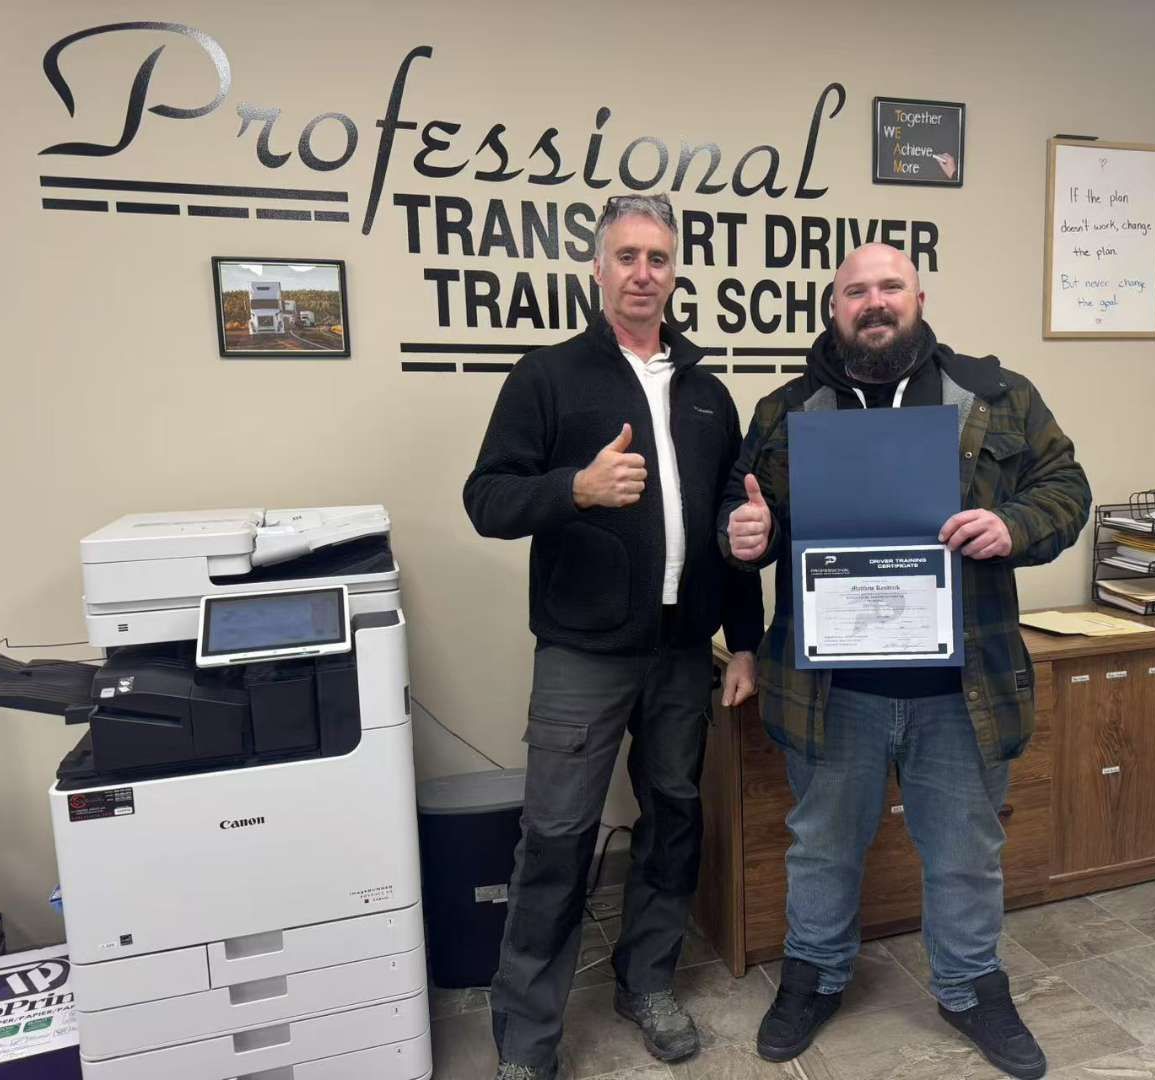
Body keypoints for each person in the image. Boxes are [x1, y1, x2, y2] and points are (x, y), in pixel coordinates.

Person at [720, 243, 1090, 1080]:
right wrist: (742, 536)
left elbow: (1067, 490)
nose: (874, 302)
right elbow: (744, 517)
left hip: (959, 689)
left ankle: (969, 987)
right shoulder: (787, 410)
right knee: (820, 845)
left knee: (966, 850)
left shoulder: (995, 397)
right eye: (856, 291)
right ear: (833, 306)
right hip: (832, 689)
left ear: (919, 296)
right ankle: (814, 976)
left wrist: (1013, 527)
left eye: (890, 286)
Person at [466, 193, 763, 1080]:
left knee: (674, 817)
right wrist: (575, 490)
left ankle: (647, 981)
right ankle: (526, 1033)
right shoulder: (547, 377)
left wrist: (742, 641)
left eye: (659, 258)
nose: (644, 273)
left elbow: (733, 526)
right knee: (557, 835)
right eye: (627, 256)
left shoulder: (710, 395)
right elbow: (487, 500)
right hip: (581, 655)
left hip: (682, 655)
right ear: (597, 270)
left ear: (676, 273)